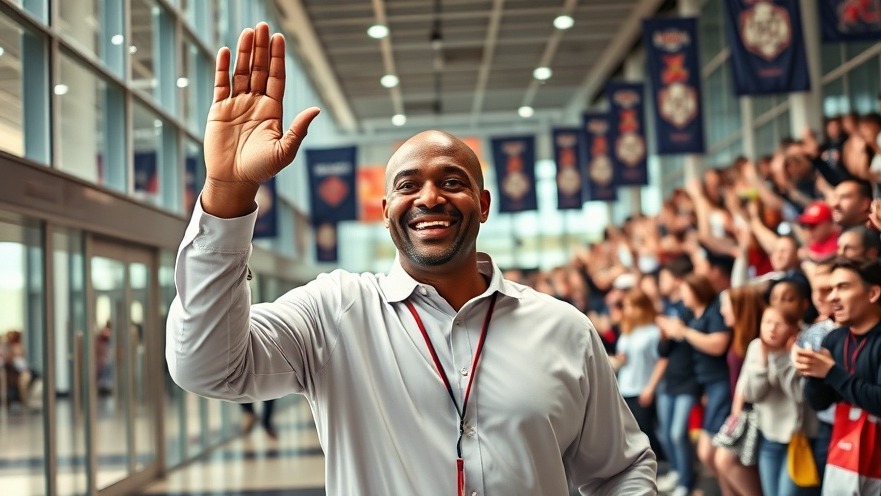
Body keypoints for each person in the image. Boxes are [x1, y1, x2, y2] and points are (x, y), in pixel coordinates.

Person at [166, 22, 656, 495]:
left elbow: (621, 469)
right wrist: (229, 191)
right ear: (385, 213)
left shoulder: (564, 329)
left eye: (452, 181)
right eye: (408, 185)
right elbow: (206, 368)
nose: (429, 198)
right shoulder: (335, 313)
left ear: (483, 205)